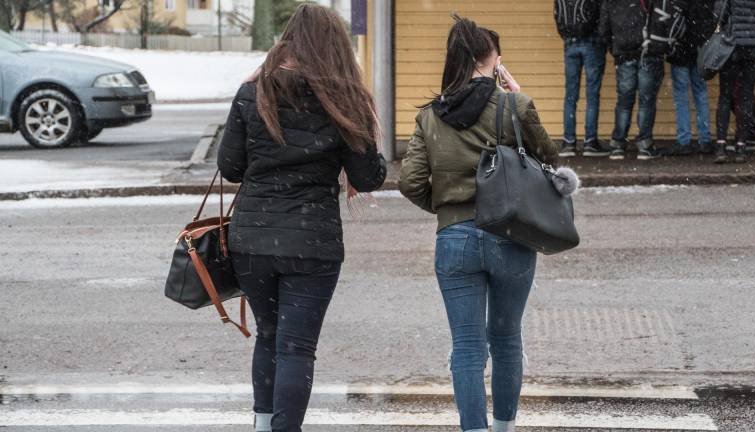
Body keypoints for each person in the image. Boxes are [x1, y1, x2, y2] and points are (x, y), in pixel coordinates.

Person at [217, 4, 387, 431]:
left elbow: (231, 167)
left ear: (288, 38)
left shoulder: (252, 92)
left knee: (269, 336)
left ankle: (262, 425)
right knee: (296, 348)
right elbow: (368, 177)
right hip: (313, 241)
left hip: (252, 240)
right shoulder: (343, 99)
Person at [399, 15, 558, 432]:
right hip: (511, 235)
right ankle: (504, 427)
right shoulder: (513, 106)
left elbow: (410, 181)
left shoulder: (430, 116)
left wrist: (449, 211)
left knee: (467, 347)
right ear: (492, 59)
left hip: (455, 241)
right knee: (506, 339)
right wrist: (518, 98)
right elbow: (550, 160)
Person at [600, 0, 666, 160]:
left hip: (623, 54)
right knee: (646, 100)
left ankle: (618, 144)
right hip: (647, 52)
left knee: (624, 101)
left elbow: (604, 28)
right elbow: (661, 20)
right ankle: (644, 145)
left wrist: (615, 48)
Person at [554, 0, 611, 157]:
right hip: (592, 44)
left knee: (570, 95)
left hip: (570, 43)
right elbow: (602, 18)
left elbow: (558, 17)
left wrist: (569, 36)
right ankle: (590, 142)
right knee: (592, 94)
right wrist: (604, 39)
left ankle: (568, 142)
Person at [714, 0, 755, 163]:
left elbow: (719, 15)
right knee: (746, 96)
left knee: (725, 95)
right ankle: (741, 146)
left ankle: (721, 147)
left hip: (732, 46)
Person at [666, 0, 716, 156]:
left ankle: (684, 141)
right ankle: (705, 139)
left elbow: (670, 21)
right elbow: (711, 22)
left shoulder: (677, 2)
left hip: (680, 51)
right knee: (700, 93)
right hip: (699, 51)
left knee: (681, 96)